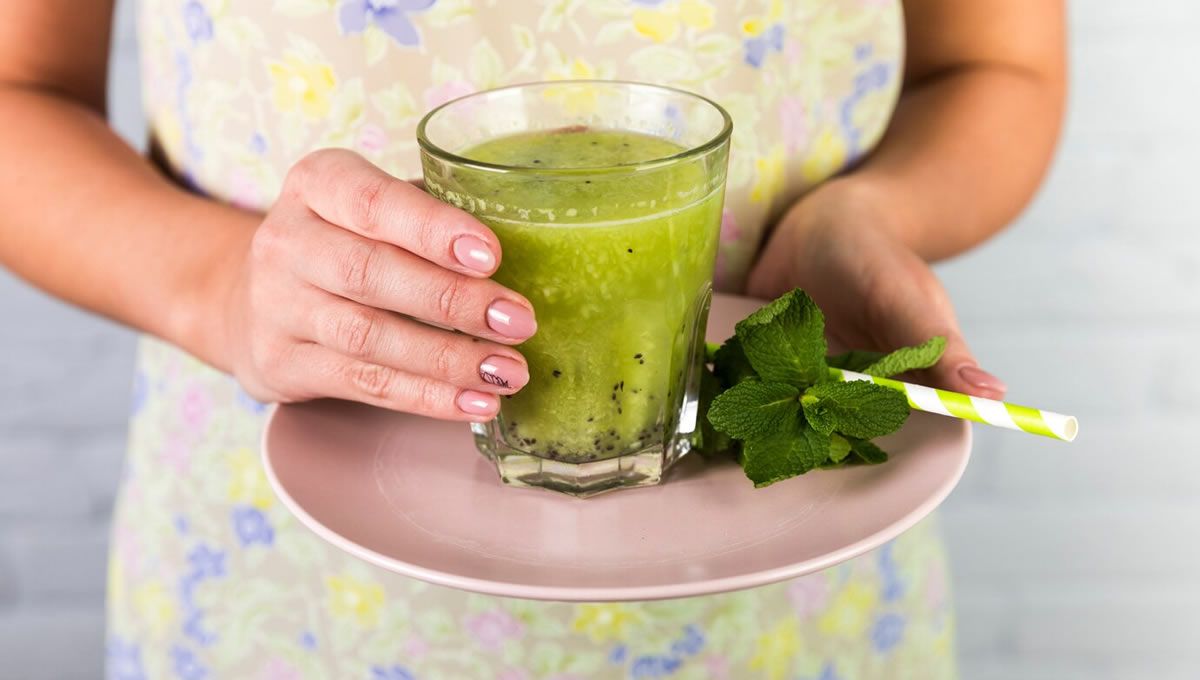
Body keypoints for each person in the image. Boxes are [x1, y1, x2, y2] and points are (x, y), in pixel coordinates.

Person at [0, 1, 1064, 677]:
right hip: (287, 590)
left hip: (788, 572)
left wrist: (866, 215)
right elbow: (19, 91)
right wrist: (221, 286)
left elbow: (995, 65)